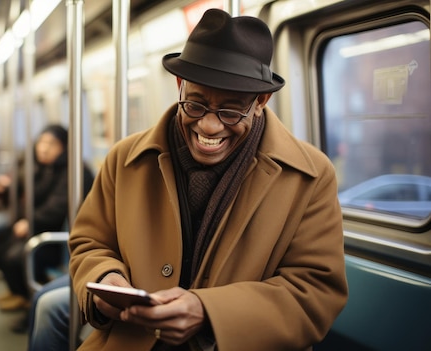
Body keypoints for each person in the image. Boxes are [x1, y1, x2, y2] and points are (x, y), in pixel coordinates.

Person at [68, 9, 348, 351]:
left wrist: (209, 312)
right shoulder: (124, 159)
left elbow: (314, 293)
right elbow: (90, 244)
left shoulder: (311, 177)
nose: (209, 127)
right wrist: (103, 279)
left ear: (261, 102)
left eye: (230, 112)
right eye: (195, 105)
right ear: (179, 86)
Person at [0, 124, 94, 313]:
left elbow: (56, 207)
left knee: (14, 257)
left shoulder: (74, 172)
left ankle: (29, 301)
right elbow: (29, 190)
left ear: (63, 147)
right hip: (40, 228)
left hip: (55, 238)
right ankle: (18, 292)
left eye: (51, 144)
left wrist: (30, 221)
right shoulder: (43, 168)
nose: (43, 148)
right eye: (41, 142)